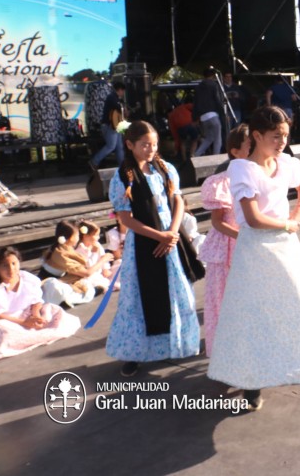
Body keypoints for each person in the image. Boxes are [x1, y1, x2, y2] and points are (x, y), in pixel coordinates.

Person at [208, 106, 300, 412]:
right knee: (254, 315)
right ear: (256, 136)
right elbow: (252, 219)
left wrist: (298, 212)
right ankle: (252, 383)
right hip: (256, 249)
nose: (282, 141)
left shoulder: (287, 163)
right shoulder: (241, 169)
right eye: (275, 136)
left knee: (295, 305)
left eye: (285, 136)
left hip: (285, 245)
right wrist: (287, 224)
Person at [106, 120, 200, 378]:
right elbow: (124, 218)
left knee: (176, 292)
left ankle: (174, 344)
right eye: (145, 144)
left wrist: (171, 233)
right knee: (138, 300)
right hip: (144, 242)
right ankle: (134, 353)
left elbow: (178, 200)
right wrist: (159, 235)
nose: (151, 148)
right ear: (130, 145)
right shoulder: (122, 176)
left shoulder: (165, 168)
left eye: (154, 143)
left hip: (170, 237)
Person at [197, 124, 250, 357]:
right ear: (235, 151)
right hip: (229, 247)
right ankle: (227, 351)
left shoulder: (257, 174)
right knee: (225, 300)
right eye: (251, 145)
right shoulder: (222, 181)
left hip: (249, 245)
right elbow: (217, 222)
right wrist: (243, 236)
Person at [0, 247, 80, 362]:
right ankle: (23, 337)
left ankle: (30, 334)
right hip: (9, 320)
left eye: (14, 263)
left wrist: (35, 315)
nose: (11, 269)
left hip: (27, 313)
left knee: (52, 310)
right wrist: (24, 322)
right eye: (5, 266)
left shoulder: (27, 278)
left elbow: (36, 300)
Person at [40, 221, 111, 306]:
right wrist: (102, 260)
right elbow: (86, 273)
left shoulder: (65, 248)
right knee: (62, 289)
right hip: (48, 284)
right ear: (70, 238)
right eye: (77, 235)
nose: (78, 238)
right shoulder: (61, 254)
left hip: (62, 279)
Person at [89, 81, 126, 171]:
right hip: (110, 125)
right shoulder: (112, 97)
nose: (123, 93)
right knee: (111, 146)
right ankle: (94, 161)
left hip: (115, 125)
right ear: (120, 90)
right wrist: (124, 109)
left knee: (119, 146)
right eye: (123, 91)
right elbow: (117, 107)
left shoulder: (115, 98)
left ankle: (123, 166)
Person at [194, 67, 225, 156]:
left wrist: (195, 118)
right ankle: (216, 158)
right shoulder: (213, 85)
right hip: (213, 114)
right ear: (213, 76)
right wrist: (223, 112)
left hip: (203, 117)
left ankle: (197, 154)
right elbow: (217, 99)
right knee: (218, 138)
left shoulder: (198, 87)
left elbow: (195, 103)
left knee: (209, 138)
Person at [168, 97, 199, 162]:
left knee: (183, 142)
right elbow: (195, 106)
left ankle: (184, 159)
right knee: (195, 139)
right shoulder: (184, 106)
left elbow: (174, 132)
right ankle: (192, 154)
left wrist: (176, 147)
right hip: (190, 124)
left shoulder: (171, 115)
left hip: (180, 128)